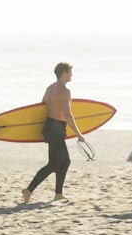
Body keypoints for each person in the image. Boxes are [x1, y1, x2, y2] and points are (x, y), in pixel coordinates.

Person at [20, 62, 85, 203]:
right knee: (53, 164)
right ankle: (29, 190)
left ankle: (58, 194)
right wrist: (79, 134)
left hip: (50, 127)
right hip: (57, 128)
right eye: (70, 72)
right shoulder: (65, 91)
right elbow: (68, 115)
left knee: (65, 161)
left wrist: (43, 132)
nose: (72, 75)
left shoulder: (50, 88)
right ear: (64, 73)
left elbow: (42, 108)